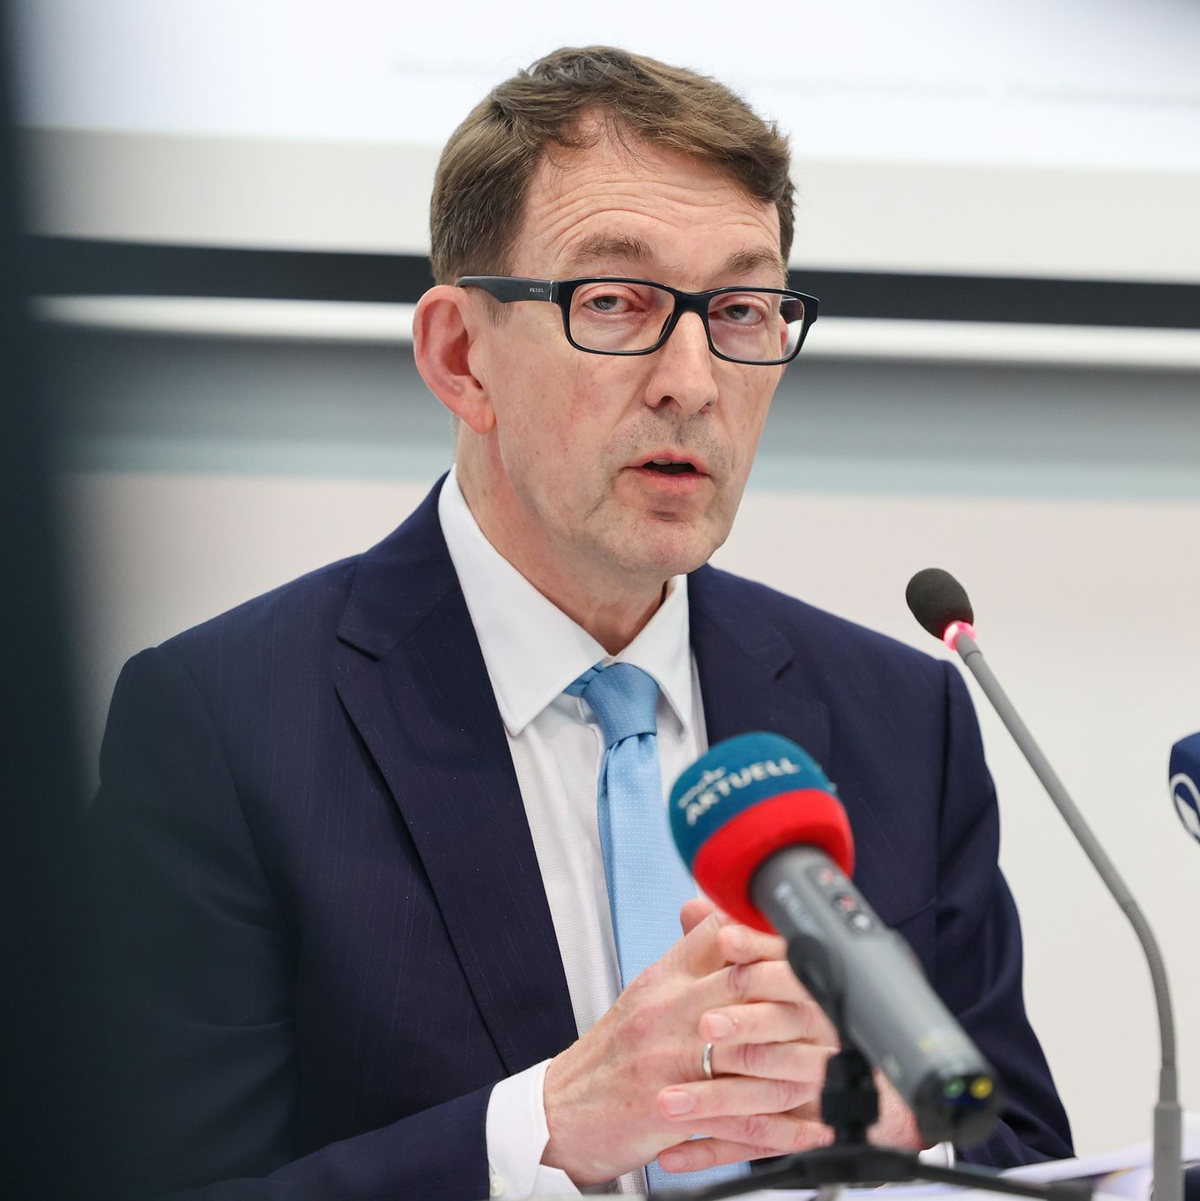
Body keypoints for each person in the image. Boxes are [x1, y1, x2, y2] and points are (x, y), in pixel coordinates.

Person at [85, 46, 1072, 1200]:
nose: (693, 381)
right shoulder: (228, 729)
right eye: (617, 303)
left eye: (743, 309)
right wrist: (539, 1132)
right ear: (462, 356)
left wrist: (907, 1123)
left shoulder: (904, 719)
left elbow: (1030, 1155)